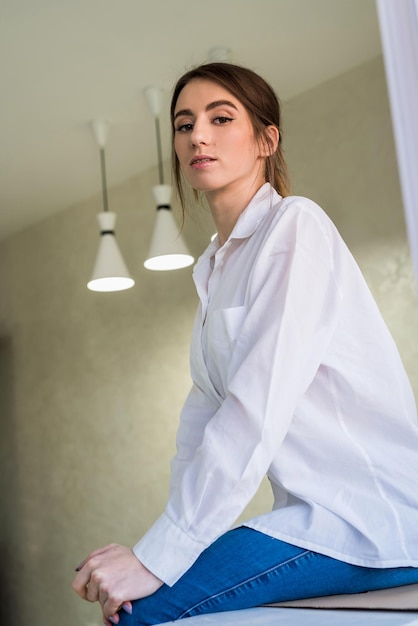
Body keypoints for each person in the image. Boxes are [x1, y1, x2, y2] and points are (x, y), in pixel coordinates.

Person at [72, 62, 418, 626]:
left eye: (221, 118)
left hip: (369, 518)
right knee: (137, 597)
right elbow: (200, 424)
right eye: (184, 125)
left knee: (141, 614)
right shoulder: (214, 266)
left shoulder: (295, 227)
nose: (197, 136)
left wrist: (161, 558)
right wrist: (157, 551)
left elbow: (254, 410)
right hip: (314, 517)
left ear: (266, 139)